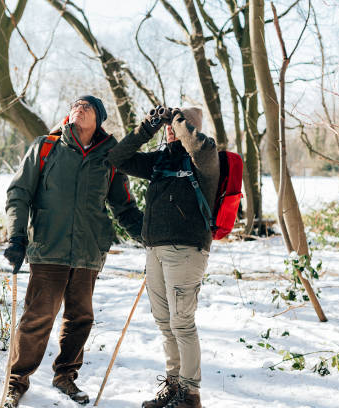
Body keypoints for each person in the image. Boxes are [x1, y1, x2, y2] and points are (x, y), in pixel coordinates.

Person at [3, 95, 143, 407]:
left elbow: (124, 206)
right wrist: (16, 238)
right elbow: (19, 192)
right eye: (75, 105)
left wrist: (148, 236)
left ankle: (65, 377)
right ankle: (15, 382)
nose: (79, 108)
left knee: (81, 318)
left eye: (88, 106)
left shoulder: (109, 156)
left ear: (100, 119)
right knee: (38, 317)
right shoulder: (46, 147)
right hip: (48, 247)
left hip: (88, 252)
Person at [107, 107, 219, 408]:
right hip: (154, 250)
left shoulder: (205, 159)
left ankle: (191, 394)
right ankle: (174, 386)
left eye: (179, 125)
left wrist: (179, 120)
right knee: (164, 322)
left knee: (182, 322)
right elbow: (116, 158)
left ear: (192, 127)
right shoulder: (159, 161)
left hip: (187, 249)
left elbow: (201, 146)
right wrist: (148, 127)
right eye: (169, 125)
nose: (172, 128)